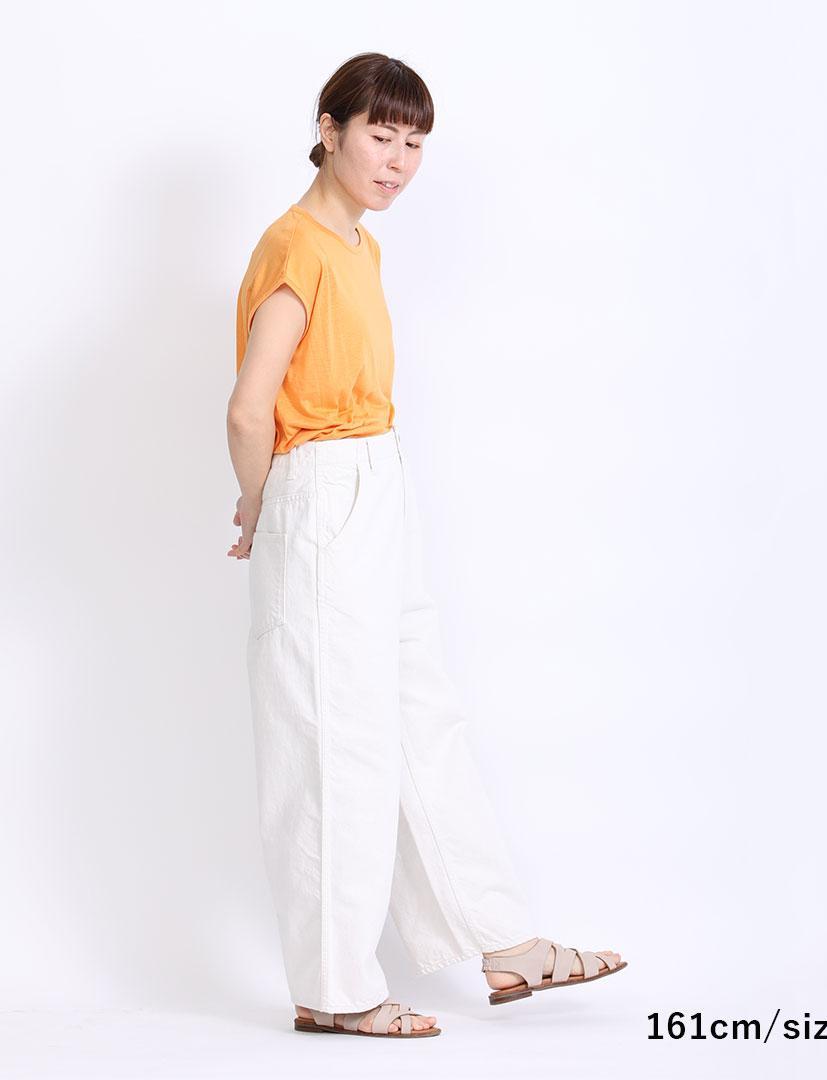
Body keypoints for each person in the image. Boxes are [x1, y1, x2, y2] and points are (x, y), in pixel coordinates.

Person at [225, 51, 626, 1041]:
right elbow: (248, 406)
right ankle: (333, 988)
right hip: (320, 489)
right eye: (380, 135)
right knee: (335, 741)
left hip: (375, 483)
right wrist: (258, 505)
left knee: (416, 716)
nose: (398, 160)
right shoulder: (296, 247)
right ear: (329, 130)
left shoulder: (358, 246)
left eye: (414, 143)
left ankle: (501, 940)